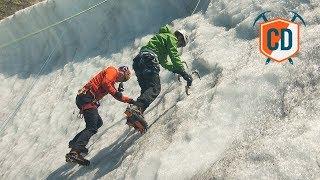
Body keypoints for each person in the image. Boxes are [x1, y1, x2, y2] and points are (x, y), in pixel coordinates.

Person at [125, 24, 193, 133]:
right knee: (155, 88)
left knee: (146, 91)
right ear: (179, 37)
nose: (178, 46)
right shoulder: (171, 38)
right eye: (181, 44)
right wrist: (183, 72)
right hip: (149, 59)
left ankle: (134, 116)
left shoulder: (161, 41)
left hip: (139, 61)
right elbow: (174, 55)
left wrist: (177, 70)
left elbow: (164, 63)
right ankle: (136, 109)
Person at [66, 66, 134, 165]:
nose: (120, 79)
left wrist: (130, 100)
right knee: (92, 127)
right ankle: (75, 151)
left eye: (122, 80)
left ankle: (75, 143)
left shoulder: (111, 81)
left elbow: (114, 92)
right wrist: (116, 93)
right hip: (87, 97)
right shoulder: (112, 71)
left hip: (85, 98)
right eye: (123, 78)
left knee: (98, 123)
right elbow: (106, 84)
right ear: (122, 72)